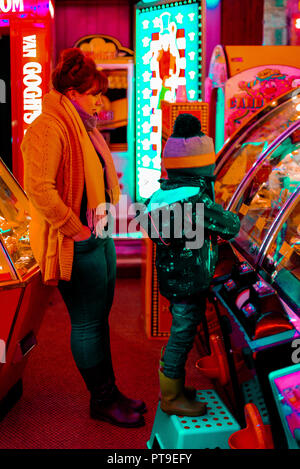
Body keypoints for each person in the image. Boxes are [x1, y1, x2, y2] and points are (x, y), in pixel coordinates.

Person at [21, 48, 145, 428]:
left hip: (99, 233)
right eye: (93, 93)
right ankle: (103, 400)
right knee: (89, 323)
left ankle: (109, 391)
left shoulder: (82, 123)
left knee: (100, 319)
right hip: (79, 239)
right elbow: (40, 189)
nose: (99, 100)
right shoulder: (50, 125)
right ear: (72, 93)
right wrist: (77, 230)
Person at [140, 114, 240, 417]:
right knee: (182, 335)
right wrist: (232, 215)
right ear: (203, 166)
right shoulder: (198, 199)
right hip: (192, 281)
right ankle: (171, 397)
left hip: (172, 280)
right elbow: (230, 226)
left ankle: (177, 389)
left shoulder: (161, 195)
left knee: (180, 331)